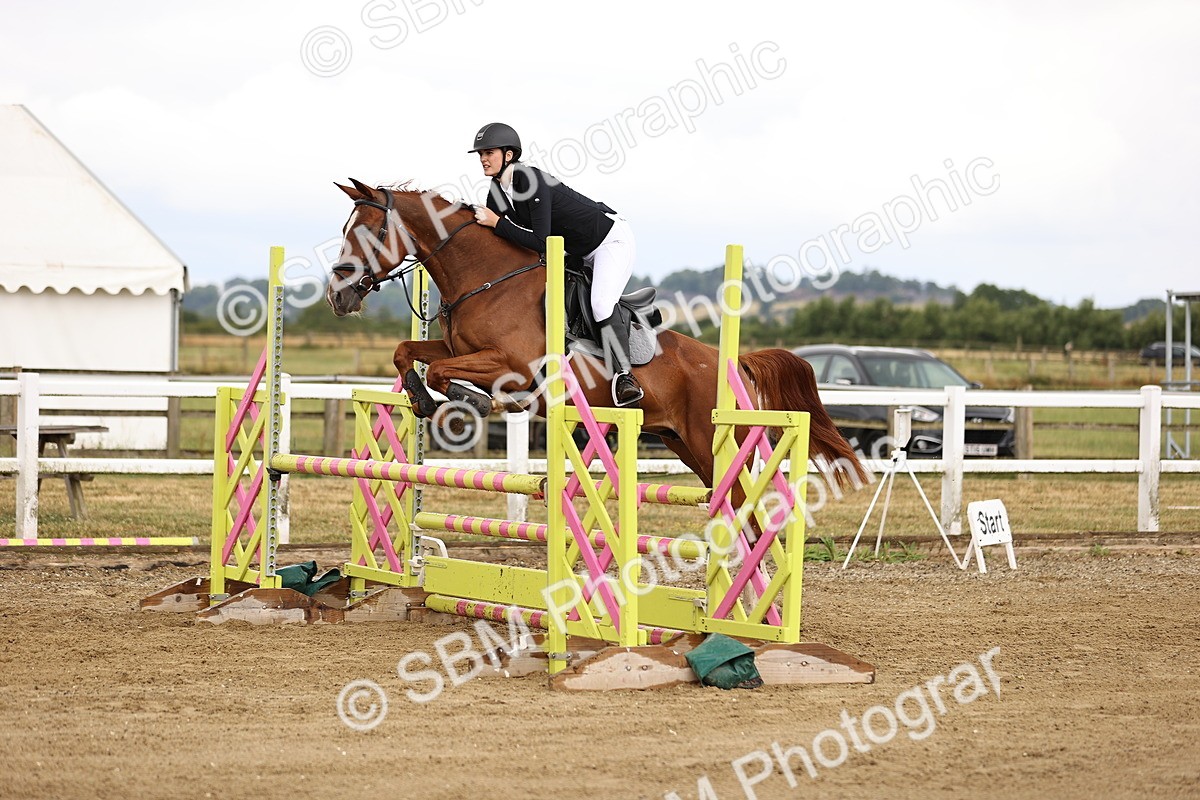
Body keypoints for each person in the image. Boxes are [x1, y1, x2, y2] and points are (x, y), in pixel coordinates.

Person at [467, 121, 644, 408]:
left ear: (508, 155)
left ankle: (624, 377)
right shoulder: (497, 189)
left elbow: (540, 240)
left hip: (610, 241)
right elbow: (498, 239)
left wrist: (498, 222)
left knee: (600, 303)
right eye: (480, 154)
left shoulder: (528, 180)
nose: (483, 159)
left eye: (489, 152)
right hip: (575, 251)